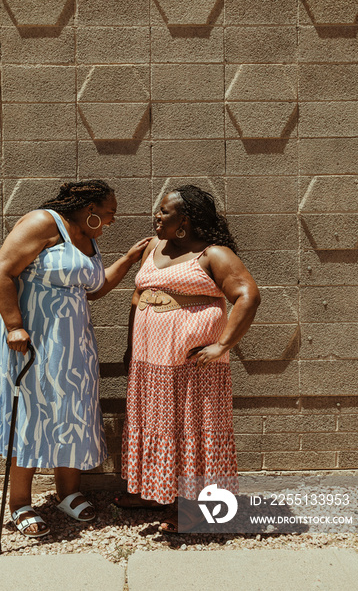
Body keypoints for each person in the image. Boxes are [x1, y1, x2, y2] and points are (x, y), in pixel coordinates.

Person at [0, 180, 150, 538]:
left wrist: (130, 259)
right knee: (30, 412)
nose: (112, 221)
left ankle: (67, 493)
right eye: (109, 213)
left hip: (72, 343)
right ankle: (20, 502)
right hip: (31, 339)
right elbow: (2, 269)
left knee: (71, 409)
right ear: (89, 210)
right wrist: (14, 326)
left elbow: (96, 288)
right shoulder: (43, 222)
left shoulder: (87, 240)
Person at [115, 184, 261, 533]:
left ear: (186, 220)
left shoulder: (214, 254)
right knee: (155, 422)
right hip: (151, 360)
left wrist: (223, 345)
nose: (157, 216)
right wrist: (132, 345)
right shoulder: (154, 246)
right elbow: (139, 296)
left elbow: (248, 296)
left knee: (191, 428)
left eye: (164, 212)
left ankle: (195, 508)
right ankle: (156, 490)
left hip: (191, 365)